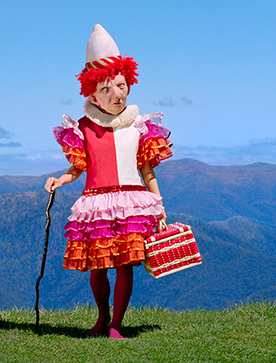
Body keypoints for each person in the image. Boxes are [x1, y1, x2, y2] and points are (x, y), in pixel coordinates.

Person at [45, 24, 172, 339]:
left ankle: (116, 324)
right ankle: (102, 318)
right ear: (92, 94)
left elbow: (147, 171)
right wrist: (60, 180)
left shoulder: (139, 126)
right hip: (97, 205)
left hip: (131, 204)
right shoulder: (83, 129)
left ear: (128, 83)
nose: (117, 94)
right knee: (98, 266)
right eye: (106, 89)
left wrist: (159, 206)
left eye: (121, 85)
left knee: (125, 266)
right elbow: (78, 169)